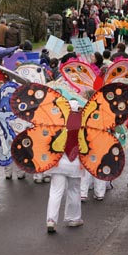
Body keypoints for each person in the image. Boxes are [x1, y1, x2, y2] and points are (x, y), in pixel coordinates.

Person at [45, 100, 84, 233]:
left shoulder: (58, 122)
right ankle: (73, 218)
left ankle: (51, 220)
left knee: (55, 192)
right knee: (74, 190)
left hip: (58, 163)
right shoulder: (82, 124)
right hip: (75, 163)